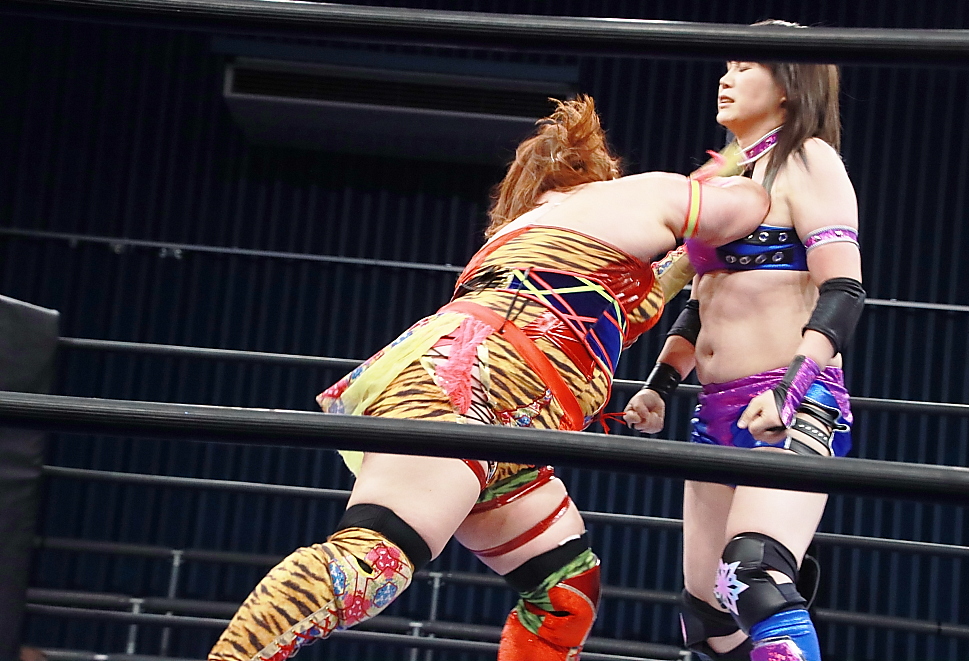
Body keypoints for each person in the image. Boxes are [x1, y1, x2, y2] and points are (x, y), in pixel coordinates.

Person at [209, 95, 768, 661]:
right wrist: (765, 162)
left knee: (563, 594)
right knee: (373, 562)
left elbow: (657, 284)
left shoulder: (558, 233)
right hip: (470, 382)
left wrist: (731, 167)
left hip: (516, 418)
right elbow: (743, 210)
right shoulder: (632, 195)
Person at [624, 43, 864, 661]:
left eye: (744, 67)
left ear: (786, 84)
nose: (725, 78)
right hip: (715, 408)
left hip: (790, 401)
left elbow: (843, 289)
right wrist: (661, 383)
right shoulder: (728, 178)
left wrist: (790, 390)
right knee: (707, 616)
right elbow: (706, 297)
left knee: (753, 575)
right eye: (726, 66)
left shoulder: (808, 159)